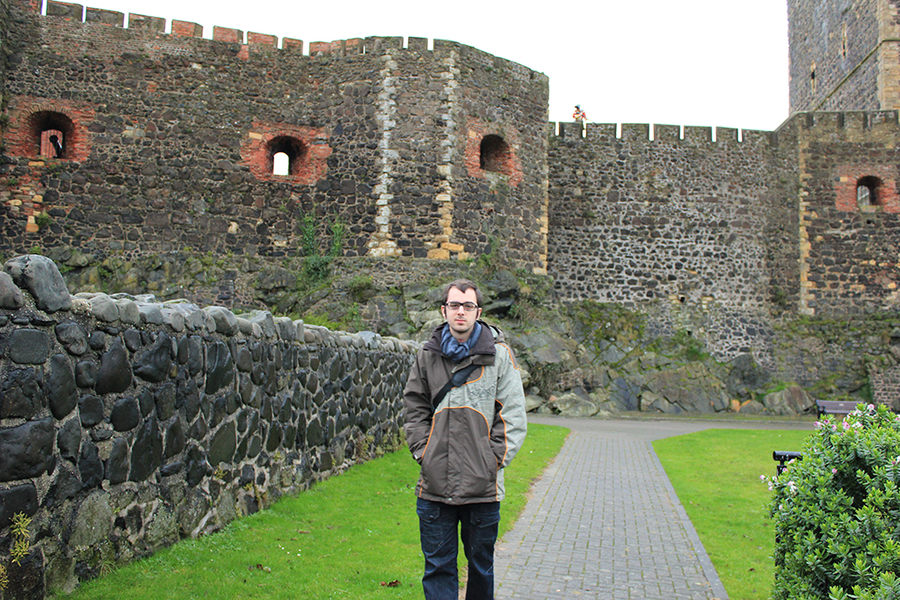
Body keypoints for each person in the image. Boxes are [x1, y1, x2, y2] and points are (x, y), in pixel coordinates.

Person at [404, 279, 528, 600]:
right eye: (455, 305)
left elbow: (512, 418)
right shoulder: (427, 356)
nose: (461, 311)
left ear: (478, 311)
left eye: (468, 306)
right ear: (444, 310)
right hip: (434, 487)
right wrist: (425, 454)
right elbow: (414, 408)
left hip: (483, 489)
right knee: (438, 569)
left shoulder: (499, 357)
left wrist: (491, 462)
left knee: (481, 569)